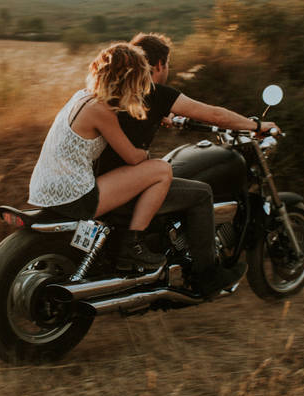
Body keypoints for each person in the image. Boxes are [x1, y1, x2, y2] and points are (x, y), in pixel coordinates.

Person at [95, 33, 279, 296]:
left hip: (102, 182)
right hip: (122, 189)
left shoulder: (116, 91)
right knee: (201, 193)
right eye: (167, 65)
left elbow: (135, 117)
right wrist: (257, 126)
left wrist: (163, 116)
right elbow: (214, 114)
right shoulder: (156, 93)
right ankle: (207, 276)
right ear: (159, 65)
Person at [28, 42, 173, 268]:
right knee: (162, 170)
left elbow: (122, 110)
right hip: (75, 197)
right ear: (128, 79)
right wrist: (146, 149)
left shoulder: (82, 97)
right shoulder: (101, 111)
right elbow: (133, 158)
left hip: (44, 190)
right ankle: (131, 245)